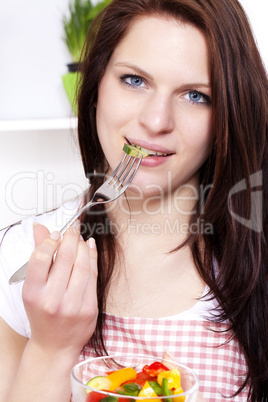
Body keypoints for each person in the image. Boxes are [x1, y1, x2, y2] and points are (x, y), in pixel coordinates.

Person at [0, 0, 267, 401]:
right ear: (95, 90)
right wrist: (50, 349)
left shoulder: (258, 261)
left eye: (196, 95)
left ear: (228, 115)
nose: (156, 121)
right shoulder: (21, 253)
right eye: (135, 80)